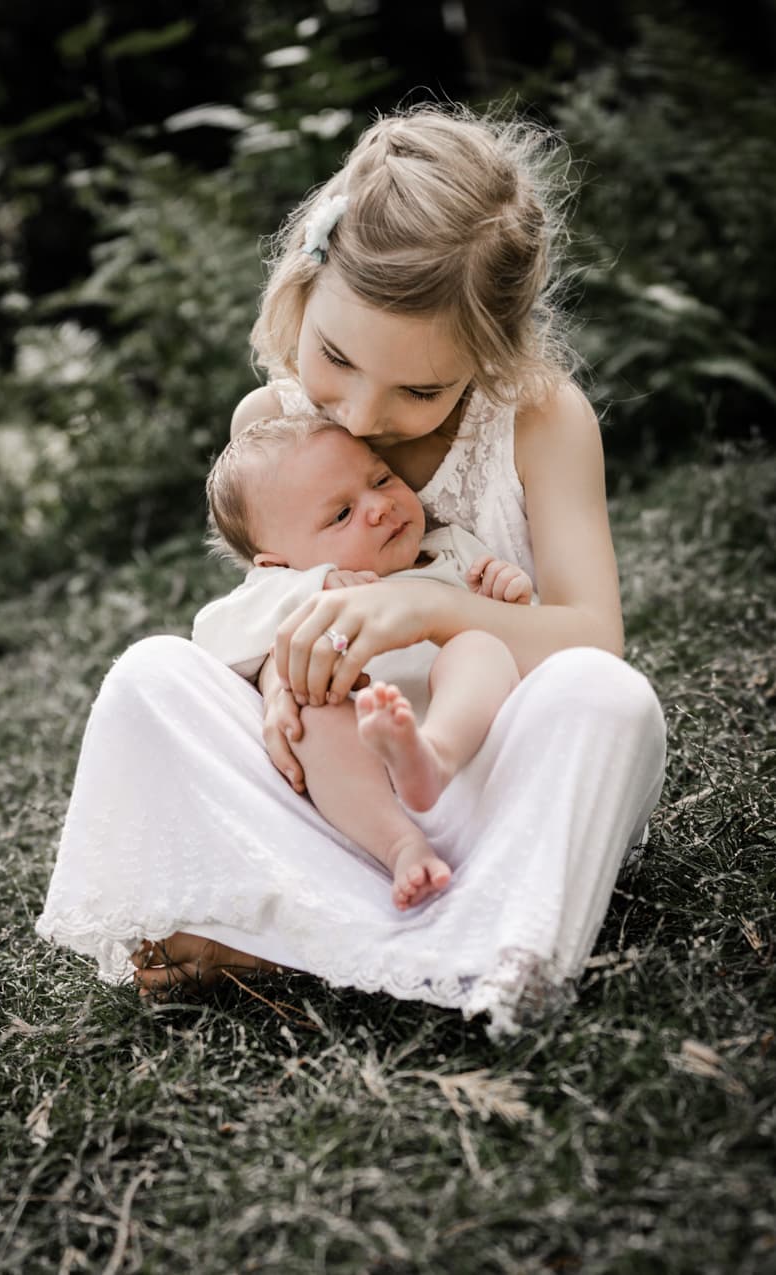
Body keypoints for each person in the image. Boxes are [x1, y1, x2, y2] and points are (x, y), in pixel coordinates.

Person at [36, 103, 666, 1035]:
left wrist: (429, 607)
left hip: (495, 778)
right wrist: (278, 684)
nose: (365, 413)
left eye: (420, 388)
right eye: (336, 357)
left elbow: (593, 636)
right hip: (345, 796)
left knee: (610, 701)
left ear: (492, 352)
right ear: (302, 286)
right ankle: (413, 922)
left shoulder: (540, 417)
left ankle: (447, 938)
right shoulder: (276, 422)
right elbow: (267, 601)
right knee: (149, 678)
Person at [198, 412, 533, 909]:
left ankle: (431, 756)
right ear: (278, 562)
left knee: (479, 645)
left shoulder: (454, 551)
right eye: (340, 515)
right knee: (313, 711)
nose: (379, 506)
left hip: (465, 762)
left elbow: (530, 648)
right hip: (362, 787)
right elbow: (209, 636)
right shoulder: (283, 588)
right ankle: (402, 847)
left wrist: (508, 598)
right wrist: (313, 586)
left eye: (381, 479)